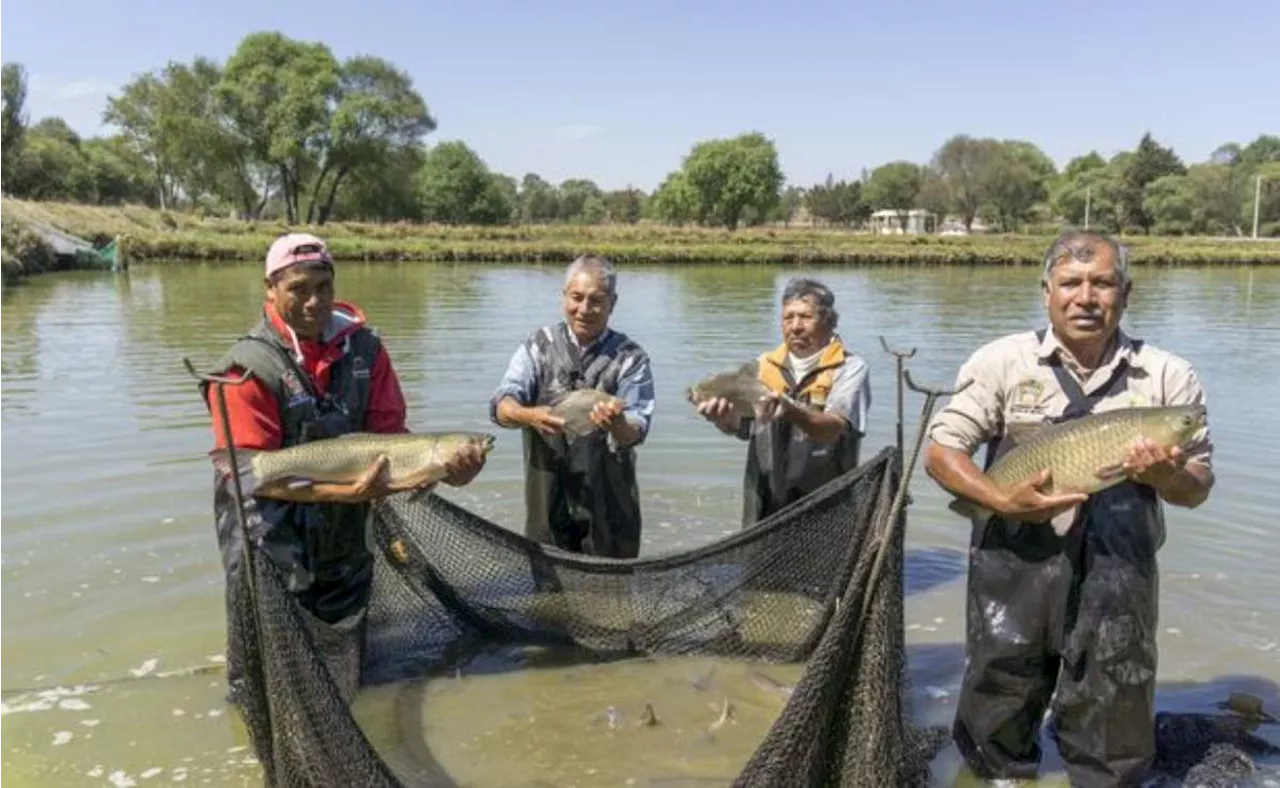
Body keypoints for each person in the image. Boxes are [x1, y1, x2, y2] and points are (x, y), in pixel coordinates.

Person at [922, 230, 1215, 787]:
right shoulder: (1002, 361)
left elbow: (1198, 486)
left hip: (1119, 573)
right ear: (1047, 291)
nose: (1086, 296)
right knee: (998, 702)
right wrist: (997, 498)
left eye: (1102, 283)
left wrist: (1166, 474)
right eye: (1071, 283)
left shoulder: (1167, 376)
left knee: (1116, 709)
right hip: (1014, 566)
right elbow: (941, 453)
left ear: (1125, 293)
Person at [199, 232, 487, 703]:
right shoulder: (245, 369)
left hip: (344, 535)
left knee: (342, 657)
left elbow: (393, 439)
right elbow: (249, 475)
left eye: (324, 287)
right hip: (268, 535)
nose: (314, 301)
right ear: (270, 289)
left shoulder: (366, 350)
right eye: (299, 288)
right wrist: (345, 492)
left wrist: (440, 472)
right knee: (266, 675)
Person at [489, 254, 655, 558]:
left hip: (612, 514)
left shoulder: (631, 358)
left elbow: (636, 429)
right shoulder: (538, 345)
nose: (584, 309)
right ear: (563, 296)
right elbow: (502, 404)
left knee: (612, 596)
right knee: (548, 599)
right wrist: (528, 414)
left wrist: (617, 424)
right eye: (576, 298)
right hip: (548, 508)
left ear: (612, 303)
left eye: (596, 300)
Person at [696, 277, 871, 528]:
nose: (795, 326)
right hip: (763, 501)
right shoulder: (762, 366)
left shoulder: (850, 368)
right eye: (788, 318)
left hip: (826, 503)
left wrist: (791, 411)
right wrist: (725, 421)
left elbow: (833, 428)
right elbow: (746, 429)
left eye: (805, 317)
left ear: (829, 321)